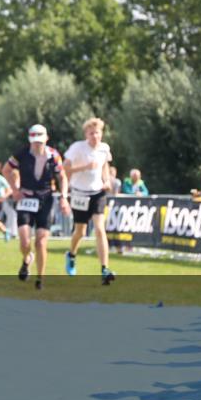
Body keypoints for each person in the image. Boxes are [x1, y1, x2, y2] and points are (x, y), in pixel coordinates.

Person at [3, 124, 70, 291]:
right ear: (30, 140)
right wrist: (15, 190)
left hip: (45, 199)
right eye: (34, 141)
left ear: (46, 139)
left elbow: (62, 177)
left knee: (41, 241)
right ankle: (27, 258)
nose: (37, 145)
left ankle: (40, 278)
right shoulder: (22, 153)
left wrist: (64, 198)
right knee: (25, 240)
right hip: (25, 198)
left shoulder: (54, 155)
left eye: (40, 141)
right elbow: (6, 170)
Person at [63, 118, 116, 284]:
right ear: (86, 134)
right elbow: (65, 168)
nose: (95, 136)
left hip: (98, 193)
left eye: (97, 133)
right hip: (79, 193)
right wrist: (84, 167)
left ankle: (104, 269)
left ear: (101, 133)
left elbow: (105, 166)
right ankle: (71, 254)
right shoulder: (77, 148)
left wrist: (106, 180)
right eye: (91, 133)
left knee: (100, 229)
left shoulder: (104, 149)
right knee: (80, 232)